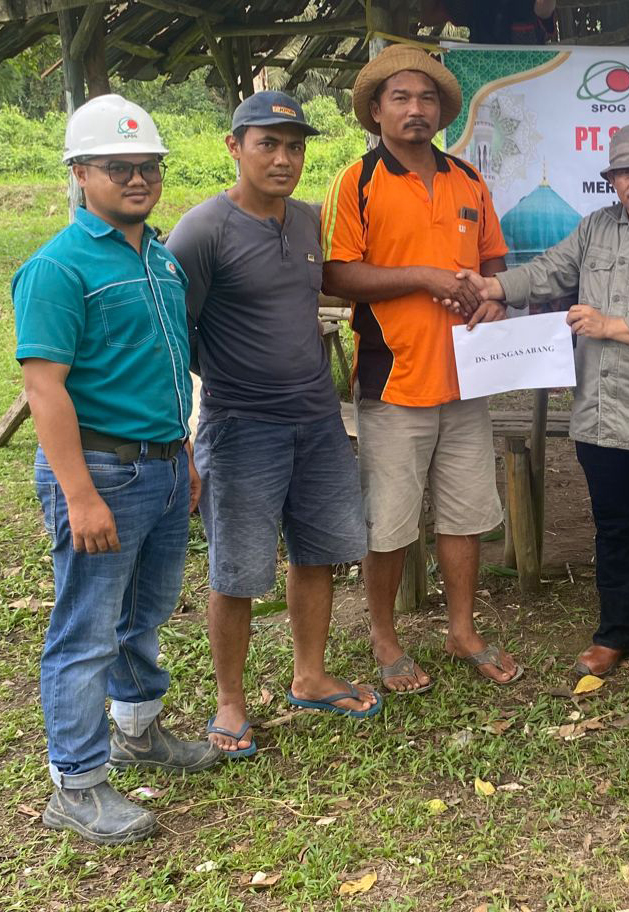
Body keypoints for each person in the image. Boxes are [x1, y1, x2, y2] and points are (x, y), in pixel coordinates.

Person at [13, 95, 220, 845]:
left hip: (163, 467)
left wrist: (186, 454)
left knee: (147, 612)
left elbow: (167, 369)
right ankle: (76, 783)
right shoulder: (57, 268)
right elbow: (45, 389)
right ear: (80, 173)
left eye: (150, 167)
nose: (139, 178)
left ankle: (138, 730)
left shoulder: (157, 256)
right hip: (102, 472)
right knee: (86, 630)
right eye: (119, 167)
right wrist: (79, 494)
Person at [460, 124, 629, 699]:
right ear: (613, 179)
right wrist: (494, 288)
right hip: (599, 413)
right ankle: (616, 631)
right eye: (626, 172)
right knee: (611, 528)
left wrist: (612, 326)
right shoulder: (596, 228)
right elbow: (548, 270)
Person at [167, 91, 381, 758]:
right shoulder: (202, 232)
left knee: (318, 548)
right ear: (235, 147)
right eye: (268, 144)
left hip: (316, 419)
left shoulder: (309, 222)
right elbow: (178, 336)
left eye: (294, 146)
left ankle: (309, 674)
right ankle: (230, 700)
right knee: (237, 570)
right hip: (241, 425)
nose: (283, 158)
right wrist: (194, 430)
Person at [321, 44, 521, 692]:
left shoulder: (468, 180)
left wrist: (492, 298)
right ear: (376, 110)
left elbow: (493, 264)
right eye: (400, 98)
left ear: (441, 111)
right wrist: (421, 276)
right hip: (395, 380)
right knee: (392, 521)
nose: (415, 109)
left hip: (467, 378)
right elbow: (337, 272)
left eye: (426, 98)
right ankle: (384, 636)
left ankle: (462, 629)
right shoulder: (358, 182)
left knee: (465, 514)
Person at [424, 0, 558, 44]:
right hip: (486, 81)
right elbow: (429, 17)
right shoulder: (470, 4)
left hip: (531, 77)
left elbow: (544, 10)